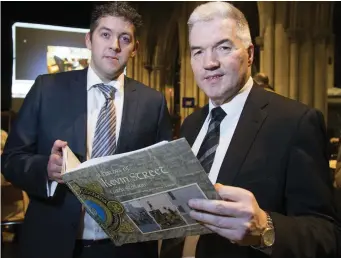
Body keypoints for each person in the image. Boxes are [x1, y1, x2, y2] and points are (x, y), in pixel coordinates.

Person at [161, 2, 340, 258]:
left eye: (223, 47)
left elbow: (327, 235)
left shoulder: (294, 123)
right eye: (198, 52)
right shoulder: (191, 125)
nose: (209, 63)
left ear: (250, 54)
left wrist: (265, 229)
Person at [1, 2, 172, 258]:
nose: (115, 45)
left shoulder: (153, 102)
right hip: (53, 243)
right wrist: (45, 170)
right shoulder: (47, 90)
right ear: (89, 40)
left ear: (134, 49)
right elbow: (11, 159)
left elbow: (163, 173)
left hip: (126, 248)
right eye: (105, 34)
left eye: (124, 38)